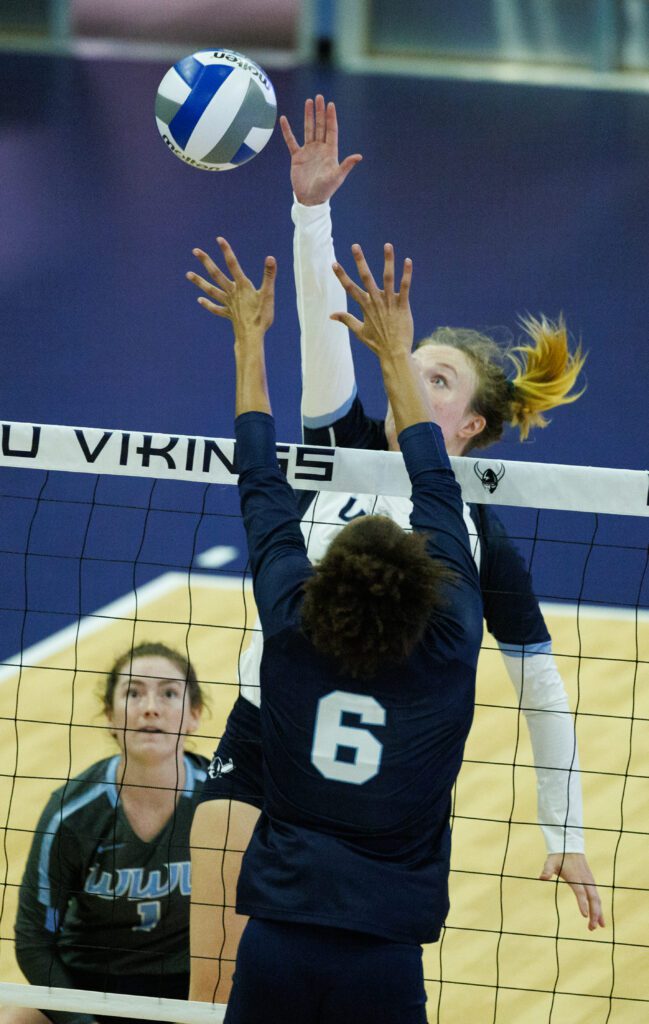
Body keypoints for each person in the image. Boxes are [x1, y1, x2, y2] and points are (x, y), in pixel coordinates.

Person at [186, 96, 604, 1006]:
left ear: (471, 426)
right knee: (210, 988)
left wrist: (563, 827)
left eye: (436, 376)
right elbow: (315, 320)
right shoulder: (339, 440)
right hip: (262, 737)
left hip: (378, 795)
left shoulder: (470, 538)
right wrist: (309, 210)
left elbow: (538, 678)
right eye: (409, 362)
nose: (409, 373)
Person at [195, 234, 483, 1024]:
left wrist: (247, 339)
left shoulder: (291, 630)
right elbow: (436, 484)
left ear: (324, 583)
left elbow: (260, 476)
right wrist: (397, 350)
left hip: (280, 933)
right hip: (385, 947)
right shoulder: (451, 641)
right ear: (427, 589)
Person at [4, 643, 207, 1024]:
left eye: (168, 693)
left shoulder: (218, 804)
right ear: (111, 717)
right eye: (133, 692)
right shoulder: (72, 814)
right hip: (91, 984)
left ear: (193, 715)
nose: (150, 706)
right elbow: (34, 938)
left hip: (192, 984)